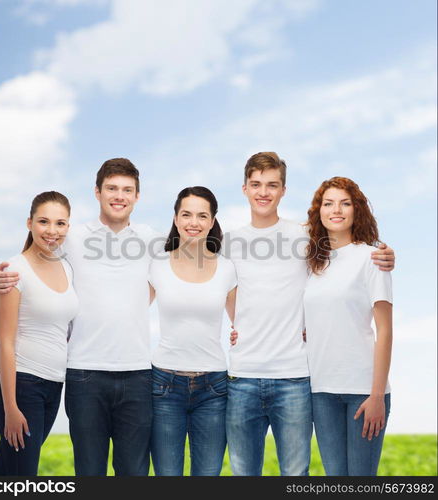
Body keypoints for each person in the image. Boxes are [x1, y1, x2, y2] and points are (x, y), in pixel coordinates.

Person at [0, 159, 163, 476]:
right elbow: (33, 259)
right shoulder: (72, 237)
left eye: (127, 190)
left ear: (138, 197)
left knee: (134, 472)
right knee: (88, 472)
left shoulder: (152, 238)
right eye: (111, 188)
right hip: (84, 374)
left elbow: (193, 259)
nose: (119, 196)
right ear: (97, 192)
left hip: (137, 373)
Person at [225, 152, 395, 476]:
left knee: (299, 475)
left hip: (298, 377)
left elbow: (351, 249)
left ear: (283, 190)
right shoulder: (232, 241)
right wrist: (239, 324)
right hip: (276, 380)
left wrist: (386, 253)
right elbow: (223, 287)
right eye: (256, 184)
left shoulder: (306, 238)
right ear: (245, 188)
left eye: (272, 184)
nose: (264, 191)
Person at [303, 177, 392, 476]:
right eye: (328, 204)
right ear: (319, 212)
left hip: (363, 390)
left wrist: (377, 395)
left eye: (345, 203)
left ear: (357, 209)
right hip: (321, 391)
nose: (336, 210)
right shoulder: (314, 264)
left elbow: (386, 330)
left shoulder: (372, 257)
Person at [0, 191, 79, 476]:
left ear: (68, 227)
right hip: (23, 386)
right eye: (43, 222)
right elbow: (5, 341)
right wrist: (11, 407)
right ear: (29, 223)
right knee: (22, 476)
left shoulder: (66, 267)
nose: (52, 231)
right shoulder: (15, 270)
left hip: (54, 386)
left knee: (5, 470)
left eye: (60, 223)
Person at [148, 186, 237, 476]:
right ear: (175, 218)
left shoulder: (227, 269)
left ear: (212, 222)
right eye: (186, 214)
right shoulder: (157, 264)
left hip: (213, 387)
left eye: (202, 216)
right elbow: (131, 314)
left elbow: (245, 323)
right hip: (164, 385)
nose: (193, 222)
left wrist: (300, 328)